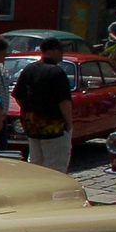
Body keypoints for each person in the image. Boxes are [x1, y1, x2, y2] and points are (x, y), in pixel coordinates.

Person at [12, 37, 76, 172]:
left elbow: (18, 96)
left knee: (35, 162)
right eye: (60, 50)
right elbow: (64, 101)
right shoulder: (56, 72)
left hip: (32, 125)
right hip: (54, 127)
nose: (62, 53)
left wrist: (30, 112)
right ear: (51, 51)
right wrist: (69, 123)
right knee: (55, 165)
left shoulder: (29, 69)